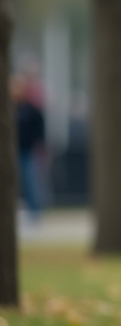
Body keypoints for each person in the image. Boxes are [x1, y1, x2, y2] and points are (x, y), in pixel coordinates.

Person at [13, 74, 47, 218]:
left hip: (28, 151)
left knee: (31, 182)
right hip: (12, 153)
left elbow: (40, 130)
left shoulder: (31, 110)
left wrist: (40, 145)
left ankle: (35, 212)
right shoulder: (11, 110)